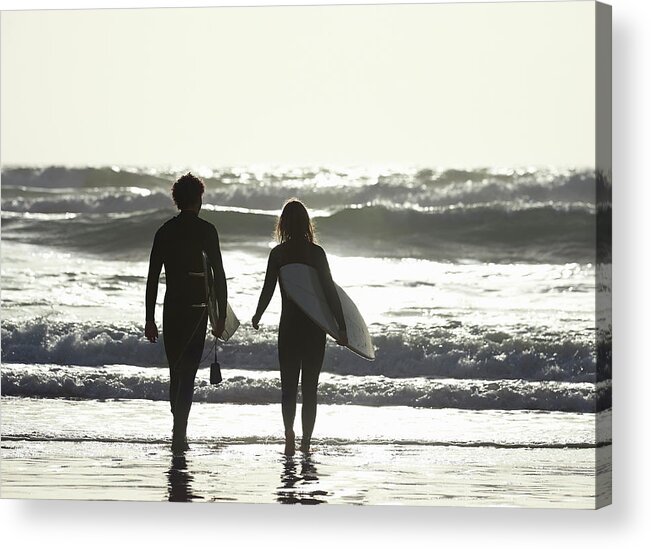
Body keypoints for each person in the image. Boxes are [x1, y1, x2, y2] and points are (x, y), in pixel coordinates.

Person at [252, 199, 347, 456]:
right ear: (307, 224)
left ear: (282, 224)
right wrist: (341, 325)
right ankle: (306, 442)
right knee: (310, 389)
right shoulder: (316, 253)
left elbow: (268, 289)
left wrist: (258, 314)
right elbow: (329, 291)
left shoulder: (278, 254)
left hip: (289, 329)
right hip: (314, 330)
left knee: (288, 388)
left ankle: (289, 437)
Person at [145, 172, 227, 453]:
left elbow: (152, 278)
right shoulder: (208, 231)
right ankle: (179, 433)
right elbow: (220, 275)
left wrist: (149, 319)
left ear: (178, 200)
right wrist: (221, 318)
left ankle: (177, 429)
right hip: (197, 312)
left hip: (172, 311)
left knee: (176, 372)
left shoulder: (164, 232)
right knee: (188, 375)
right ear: (198, 199)